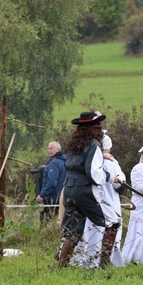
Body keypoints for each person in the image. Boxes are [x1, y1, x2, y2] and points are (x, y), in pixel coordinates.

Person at [56, 111, 122, 268]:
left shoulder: (74, 145)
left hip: (69, 188)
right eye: (98, 125)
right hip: (84, 190)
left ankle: (62, 266)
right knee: (113, 221)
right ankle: (104, 265)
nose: (100, 128)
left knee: (73, 227)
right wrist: (111, 177)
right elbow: (94, 172)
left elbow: (77, 165)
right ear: (93, 127)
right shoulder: (94, 145)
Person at [72, 132, 126, 268]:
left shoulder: (88, 162)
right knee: (112, 226)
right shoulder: (112, 163)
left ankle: (89, 261)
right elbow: (120, 185)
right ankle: (107, 262)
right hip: (110, 202)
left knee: (92, 232)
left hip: (92, 201)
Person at [35, 141, 67, 223]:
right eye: (48, 148)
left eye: (51, 148)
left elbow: (52, 182)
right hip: (62, 197)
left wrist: (42, 195)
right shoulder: (65, 161)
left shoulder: (54, 163)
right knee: (60, 221)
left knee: (45, 222)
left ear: (58, 149)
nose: (49, 150)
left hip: (51, 198)